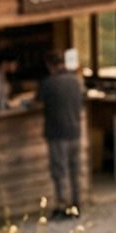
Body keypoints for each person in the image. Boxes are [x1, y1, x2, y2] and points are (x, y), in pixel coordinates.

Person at [38, 49, 86, 217]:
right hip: (75, 131)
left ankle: (62, 206)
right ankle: (77, 203)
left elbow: (37, 101)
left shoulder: (49, 83)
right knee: (74, 170)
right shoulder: (76, 81)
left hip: (57, 133)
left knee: (60, 171)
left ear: (50, 66)